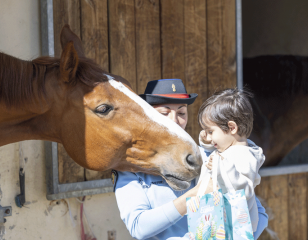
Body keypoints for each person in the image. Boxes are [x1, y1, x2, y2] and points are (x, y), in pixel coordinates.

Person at [113, 79, 268, 240]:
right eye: (164, 113)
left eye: (181, 113)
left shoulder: (204, 156)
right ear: (147, 117)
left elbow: (258, 213)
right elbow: (138, 227)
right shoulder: (130, 168)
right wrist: (193, 197)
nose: (174, 120)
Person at [197, 88, 266, 236]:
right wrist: (207, 143)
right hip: (220, 223)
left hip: (233, 228)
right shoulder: (230, 149)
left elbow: (244, 190)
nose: (208, 137)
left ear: (232, 128)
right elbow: (223, 146)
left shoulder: (244, 156)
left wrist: (221, 168)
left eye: (210, 132)